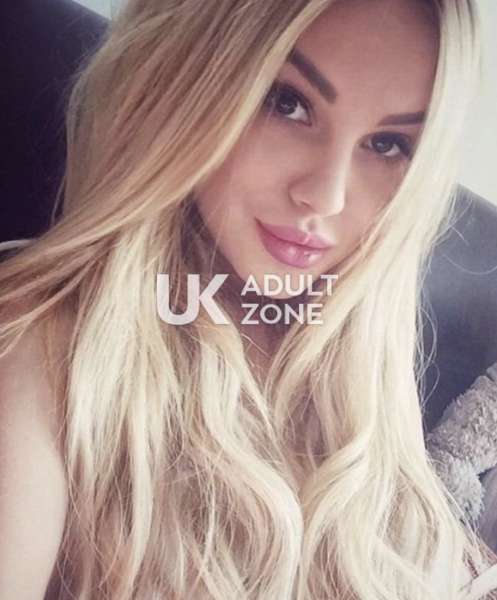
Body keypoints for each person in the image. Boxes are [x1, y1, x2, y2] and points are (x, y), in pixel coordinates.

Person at [0, 0, 496, 598]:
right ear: (185, 79)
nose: (327, 196)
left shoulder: (358, 358)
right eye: (287, 103)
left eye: (388, 144)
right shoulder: (44, 349)